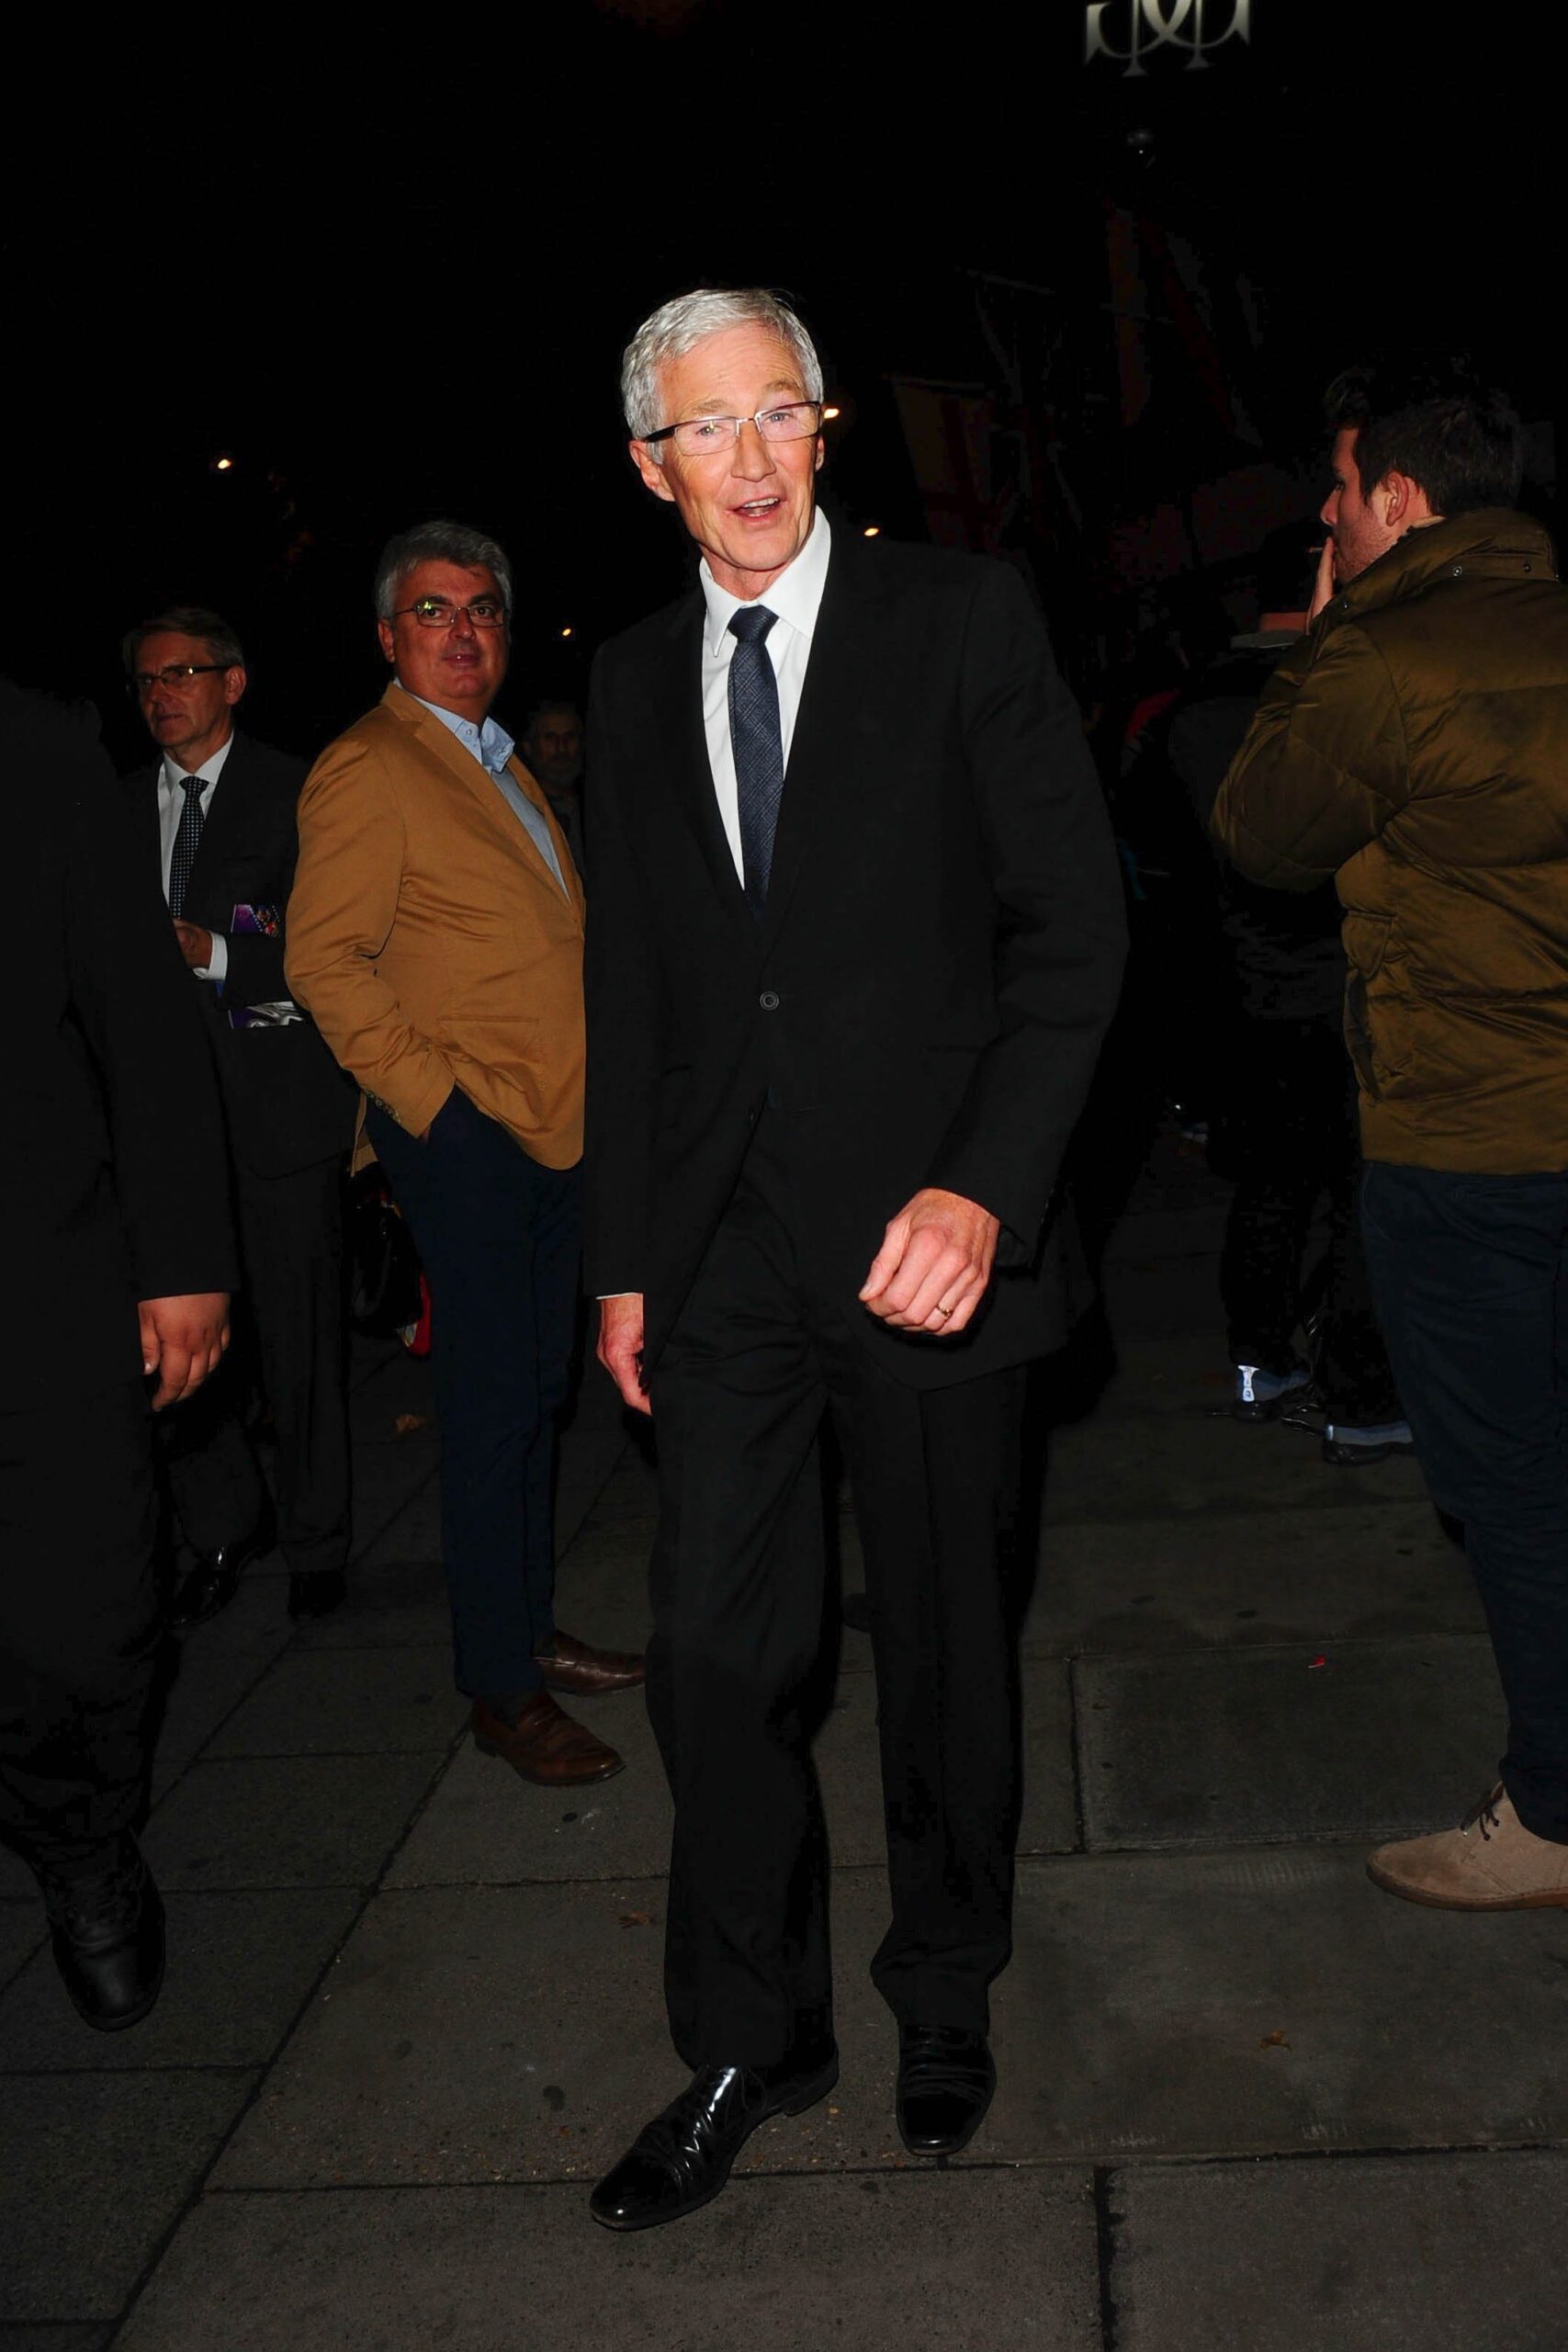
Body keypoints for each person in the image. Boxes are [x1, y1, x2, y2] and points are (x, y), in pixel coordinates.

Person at [585, 288, 1126, 2230]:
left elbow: (1074, 930)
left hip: (926, 1249)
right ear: (649, 465)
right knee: (718, 1654)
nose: (746, 459)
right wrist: (624, 1260)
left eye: (777, 415)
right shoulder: (638, 679)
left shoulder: (957, 622)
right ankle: (751, 2031)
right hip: (721, 1248)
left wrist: (984, 1182)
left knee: (945, 1652)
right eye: (702, 429)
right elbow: (636, 983)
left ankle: (940, 1983)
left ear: (823, 434)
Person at [1214, 359, 1568, 1907]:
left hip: (1471, 1148)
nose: (1328, 522)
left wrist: (1324, 629)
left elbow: (1256, 830)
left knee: (1510, 1484)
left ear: (1400, 505)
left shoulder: (1381, 658)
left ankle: (1551, 1813)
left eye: (1338, 502)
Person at [286, 521, 643, 1788]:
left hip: (556, 1132)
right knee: (494, 1412)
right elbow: (320, 960)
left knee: (537, 1394)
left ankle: (527, 1624)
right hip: (473, 1140)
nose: (463, 631)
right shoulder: (369, 764)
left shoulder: (499, 760)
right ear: (388, 636)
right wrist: (437, 1112)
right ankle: (497, 1688)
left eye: (483, 609)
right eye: (433, 611)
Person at [1, 680, 234, 2029]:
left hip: (45, 1273)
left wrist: (183, 1259)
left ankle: (86, 1844)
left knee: (85, 1618)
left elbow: (142, 1020)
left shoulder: (36, 754)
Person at [123, 607, 357, 1624]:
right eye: (145, 681)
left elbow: (321, 944)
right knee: (175, 1342)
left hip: (278, 1108)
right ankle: (225, 1521)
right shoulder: (118, 806)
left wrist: (214, 950)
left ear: (234, 681)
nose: (161, 694)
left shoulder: (299, 791)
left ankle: (320, 1541)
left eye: (181, 672)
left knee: (300, 1342)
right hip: (167, 1126)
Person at [1167, 548, 1408, 1463]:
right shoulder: (1318, 704)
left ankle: (1258, 1358)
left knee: (1272, 1183)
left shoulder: (1193, 709)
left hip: (1247, 989)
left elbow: (1176, 869)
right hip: (1338, 980)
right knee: (1356, 1193)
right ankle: (1357, 1394)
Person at [521, 699, 586, 877]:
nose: (561, 747)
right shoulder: (522, 809)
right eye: (550, 738)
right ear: (529, 747)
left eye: (569, 737)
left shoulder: (598, 807)